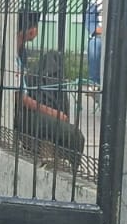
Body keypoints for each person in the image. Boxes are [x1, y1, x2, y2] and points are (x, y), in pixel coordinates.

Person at [15, 10, 84, 162]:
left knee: (53, 59)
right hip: (20, 113)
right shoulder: (11, 56)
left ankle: (58, 156)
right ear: (32, 30)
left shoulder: (21, 53)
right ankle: (69, 170)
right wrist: (53, 113)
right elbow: (19, 98)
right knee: (76, 137)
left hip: (27, 100)